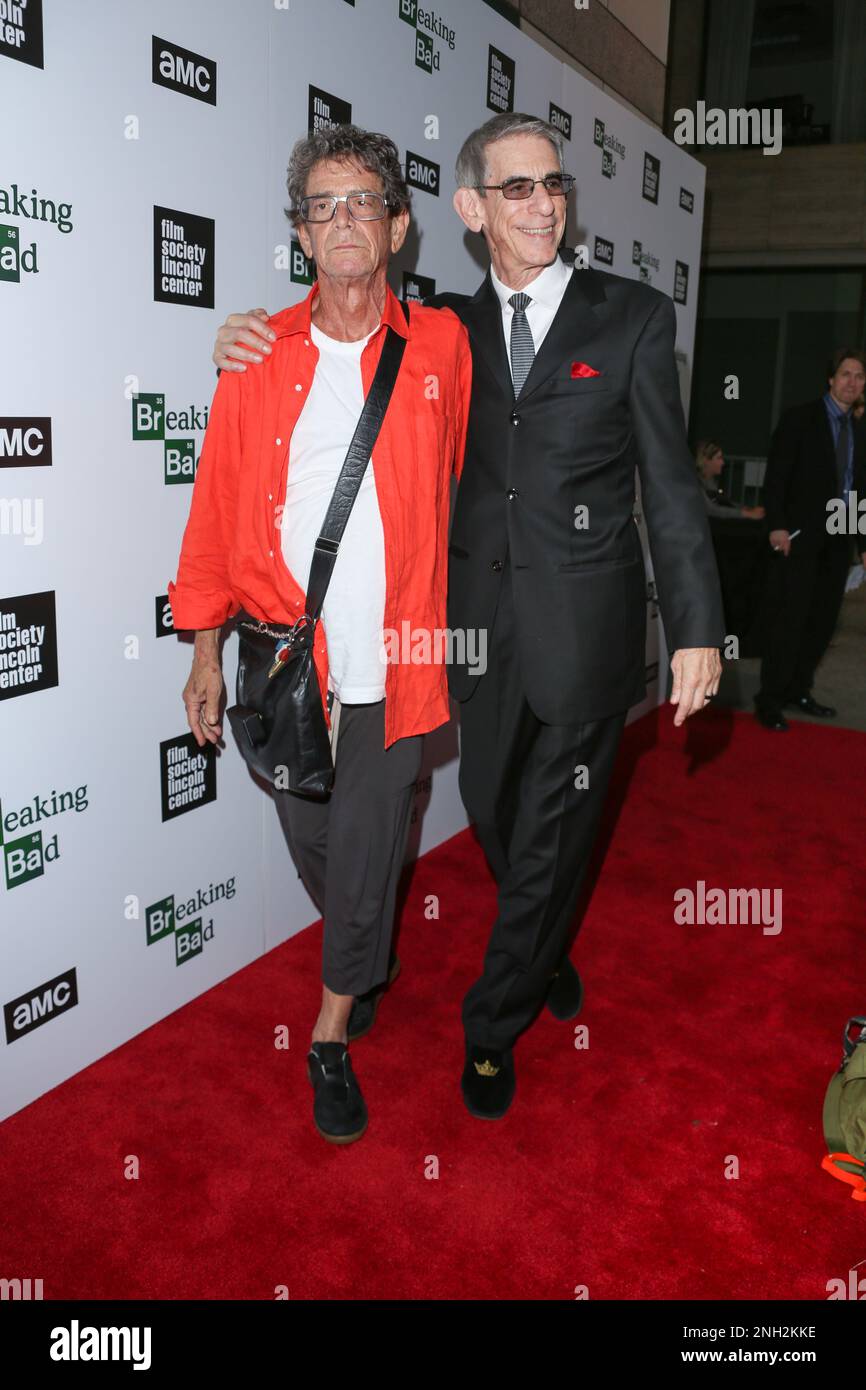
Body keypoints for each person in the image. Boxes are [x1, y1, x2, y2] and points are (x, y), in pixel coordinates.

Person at [212, 112, 724, 1122]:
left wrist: (698, 628)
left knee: (549, 830)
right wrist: (241, 331)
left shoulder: (628, 317)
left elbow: (667, 484)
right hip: (471, 635)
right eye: (520, 188)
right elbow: (336, 324)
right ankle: (541, 941)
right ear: (470, 207)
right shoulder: (441, 331)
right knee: (496, 814)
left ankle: (495, 1021)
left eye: (554, 186)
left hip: (585, 630)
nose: (545, 205)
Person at [169, 125, 472, 1145]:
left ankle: (331, 1030)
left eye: (362, 203)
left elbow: (459, 473)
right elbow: (212, 512)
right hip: (284, 659)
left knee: (369, 837)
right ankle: (363, 951)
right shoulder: (256, 354)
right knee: (323, 840)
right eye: (322, 206)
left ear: (397, 224)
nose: (344, 220)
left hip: (398, 658)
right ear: (302, 236)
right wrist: (204, 650)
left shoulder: (440, 346)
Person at [754, 349, 866, 731]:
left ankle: (799, 690)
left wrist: (862, 546)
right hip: (800, 536)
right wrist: (777, 525)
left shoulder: (860, 430)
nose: (853, 382)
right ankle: (769, 699)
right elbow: (777, 477)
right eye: (846, 374)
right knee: (790, 619)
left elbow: (858, 490)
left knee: (821, 622)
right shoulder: (801, 419)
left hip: (839, 538)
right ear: (831, 380)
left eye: (860, 377)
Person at [695, 439, 765, 521]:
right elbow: (712, 509)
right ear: (706, 460)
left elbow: (723, 502)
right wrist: (747, 513)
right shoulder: (696, 482)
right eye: (719, 458)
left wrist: (746, 509)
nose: (723, 462)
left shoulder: (711, 480)